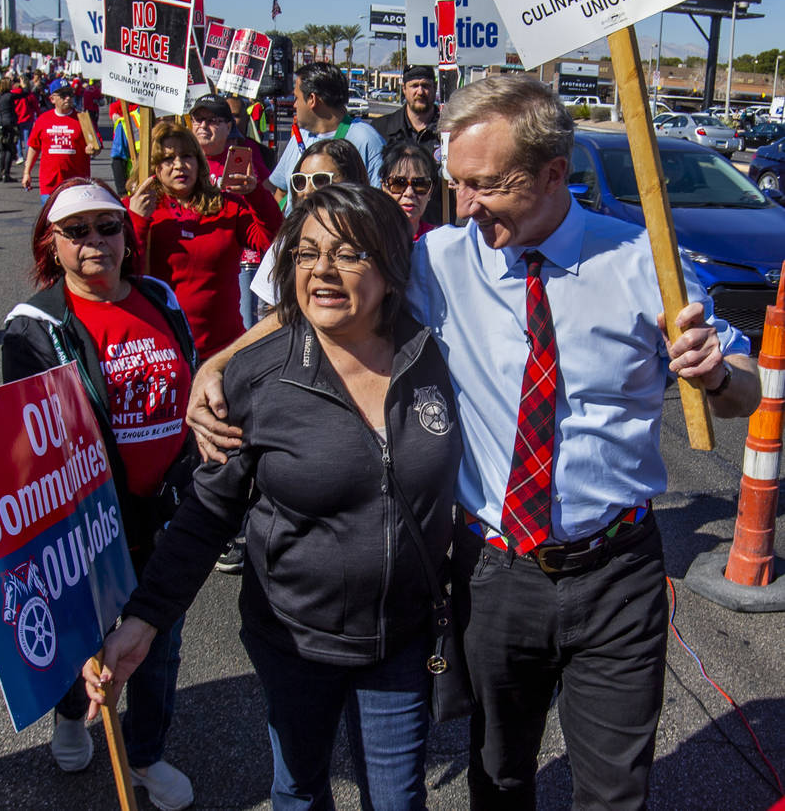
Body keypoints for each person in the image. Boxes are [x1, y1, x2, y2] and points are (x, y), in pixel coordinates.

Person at [187, 76, 761, 811]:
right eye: (455, 183)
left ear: (555, 173)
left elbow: (742, 389)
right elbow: (329, 300)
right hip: (490, 574)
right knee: (499, 775)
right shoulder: (436, 262)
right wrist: (219, 360)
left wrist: (719, 375)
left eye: (486, 185)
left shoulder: (644, 260)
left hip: (616, 572)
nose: (463, 204)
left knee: (615, 790)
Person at [84, 183, 462, 811]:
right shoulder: (257, 375)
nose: (322, 272)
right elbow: (207, 516)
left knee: (398, 801)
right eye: (306, 253)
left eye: (348, 254)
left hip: (402, 636)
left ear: (392, 270)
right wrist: (144, 620)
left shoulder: (441, 358)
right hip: (294, 640)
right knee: (299, 789)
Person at [2, 178, 198, 811]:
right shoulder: (35, 324)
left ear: (126, 234)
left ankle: (145, 754)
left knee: (157, 638)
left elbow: (191, 387)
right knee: (82, 635)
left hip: (165, 509)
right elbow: (28, 444)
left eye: (107, 227)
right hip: (86, 516)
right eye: (76, 231)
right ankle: (70, 715)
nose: (95, 242)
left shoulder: (160, 297)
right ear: (51, 243)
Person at [126, 121, 281, 362]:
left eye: (187, 156)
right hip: (164, 349)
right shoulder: (138, 209)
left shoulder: (227, 205)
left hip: (223, 351)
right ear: (154, 167)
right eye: (168, 159)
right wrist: (136, 221)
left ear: (199, 161)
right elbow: (124, 274)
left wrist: (255, 195)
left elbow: (271, 240)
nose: (179, 165)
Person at [250, 137, 370, 312]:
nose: (307, 190)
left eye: (320, 180)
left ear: (352, 182)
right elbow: (269, 309)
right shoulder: (287, 240)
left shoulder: (374, 238)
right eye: (300, 181)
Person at [190, 93, 272, 330]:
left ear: (228, 126)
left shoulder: (244, 155)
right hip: (194, 263)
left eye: (212, 120)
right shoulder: (183, 162)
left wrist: (253, 192)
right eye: (198, 119)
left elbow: (269, 217)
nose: (203, 126)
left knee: (244, 327)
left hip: (240, 260)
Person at [268, 62, 385, 208]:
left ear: (312, 99)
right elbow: (281, 192)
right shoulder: (299, 137)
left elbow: (377, 203)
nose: (294, 105)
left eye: (296, 98)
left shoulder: (366, 139)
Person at [373, 65, 450, 225]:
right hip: (390, 228)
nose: (420, 92)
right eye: (414, 86)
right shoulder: (380, 129)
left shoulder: (450, 130)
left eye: (426, 86)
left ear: (435, 88)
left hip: (437, 226)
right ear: (404, 89)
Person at [22, 79, 97, 202]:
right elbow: (34, 147)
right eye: (63, 95)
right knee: (51, 220)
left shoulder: (83, 119)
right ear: (52, 99)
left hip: (77, 185)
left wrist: (93, 149)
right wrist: (27, 173)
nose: (67, 98)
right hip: (50, 185)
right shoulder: (43, 120)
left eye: (70, 94)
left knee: (75, 221)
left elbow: (96, 145)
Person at [380, 140, 438, 241]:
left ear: (430, 191)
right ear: (384, 187)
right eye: (398, 183)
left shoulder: (437, 240)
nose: (409, 193)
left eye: (420, 184)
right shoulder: (372, 239)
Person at [0, 77, 19, 182]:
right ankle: (6, 174)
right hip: (10, 123)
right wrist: (23, 83)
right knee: (9, 149)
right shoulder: (10, 96)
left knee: (2, 150)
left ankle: (1, 172)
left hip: (0, 123)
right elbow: (26, 93)